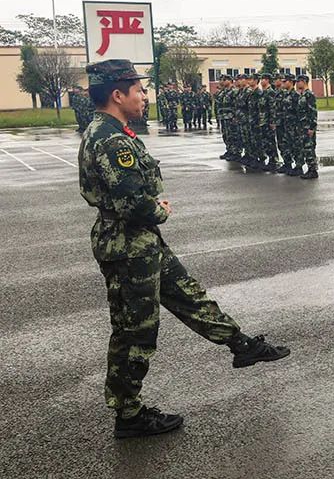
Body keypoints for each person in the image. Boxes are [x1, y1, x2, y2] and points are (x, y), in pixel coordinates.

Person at [78, 59, 290, 438]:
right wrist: (158, 210)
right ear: (117, 94)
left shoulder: (111, 130)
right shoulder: (109, 140)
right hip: (129, 245)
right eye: (138, 90)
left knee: (189, 296)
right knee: (135, 331)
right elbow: (131, 203)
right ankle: (129, 414)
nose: (144, 96)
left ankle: (240, 345)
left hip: (140, 243)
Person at [296, 74, 319, 179]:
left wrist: (311, 127)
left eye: (298, 81)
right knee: (305, 148)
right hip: (302, 126)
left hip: (307, 126)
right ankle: (310, 168)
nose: (297, 83)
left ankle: (313, 170)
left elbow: (313, 112)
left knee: (309, 148)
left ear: (304, 82)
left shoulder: (309, 95)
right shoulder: (302, 95)